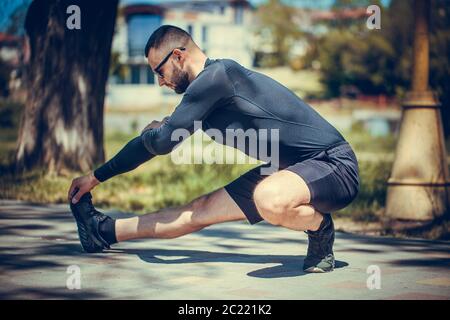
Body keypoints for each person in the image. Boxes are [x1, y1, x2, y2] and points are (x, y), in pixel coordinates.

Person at [68, 25, 360, 273]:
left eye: (160, 71)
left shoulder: (218, 76)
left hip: (334, 165)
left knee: (268, 197)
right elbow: (152, 145)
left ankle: (320, 229)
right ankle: (102, 231)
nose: (160, 82)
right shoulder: (205, 93)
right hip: (286, 170)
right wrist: (94, 177)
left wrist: (160, 132)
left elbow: (160, 142)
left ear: (179, 56)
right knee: (199, 210)